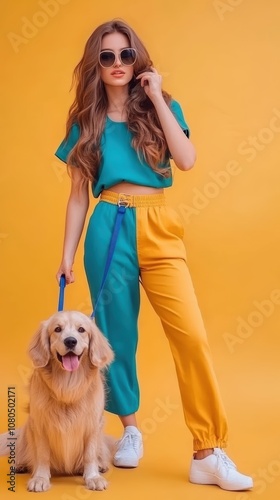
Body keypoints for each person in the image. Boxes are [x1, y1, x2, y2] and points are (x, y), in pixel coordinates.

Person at [55, 19, 253, 491]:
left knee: (192, 336)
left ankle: (208, 450)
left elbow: (185, 160)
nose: (118, 64)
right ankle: (130, 429)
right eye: (107, 57)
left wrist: (159, 96)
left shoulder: (161, 107)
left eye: (126, 54)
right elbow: (79, 196)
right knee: (115, 337)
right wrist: (66, 254)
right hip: (108, 226)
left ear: (137, 58)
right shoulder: (88, 120)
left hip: (158, 226)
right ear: (95, 65)